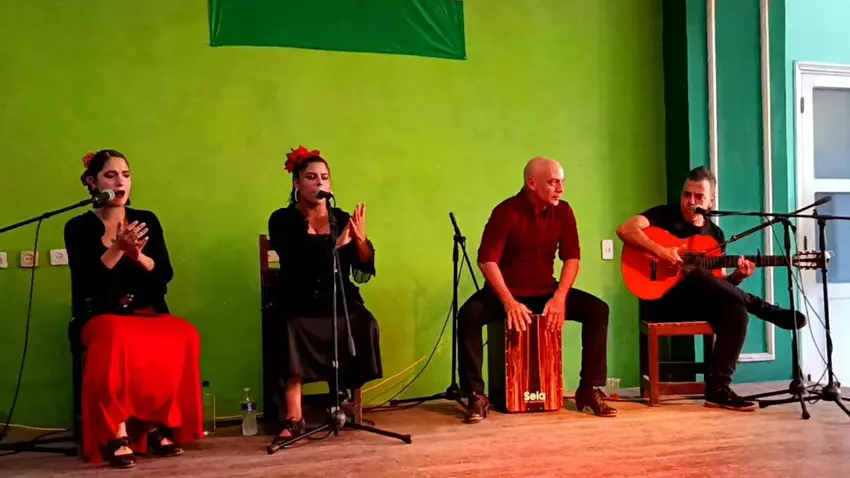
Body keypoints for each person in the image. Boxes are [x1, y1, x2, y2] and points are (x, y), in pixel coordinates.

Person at [616, 166, 807, 411]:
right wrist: (662, 251)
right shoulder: (662, 215)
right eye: (686, 194)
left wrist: (736, 277)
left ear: (711, 201)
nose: (690, 201)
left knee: (736, 309)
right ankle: (766, 309)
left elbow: (719, 286)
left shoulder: (715, 234)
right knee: (694, 274)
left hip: (697, 303)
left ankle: (718, 389)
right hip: (662, 302)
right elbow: (625, 229)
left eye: (699, 197)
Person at [64, 150, 203, 468]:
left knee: (183, 333)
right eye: (110, 175)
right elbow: (89, 284)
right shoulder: (78, 227)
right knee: (115, 336)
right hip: (100, 314)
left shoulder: (146, 220)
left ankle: (154, 423)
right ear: (92, 182)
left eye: (125, 175)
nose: (120, 182)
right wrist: (117, 248)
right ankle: (118, 430)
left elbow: (164, 274)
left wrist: (137, 255)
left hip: (145, 310)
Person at [458, 157, 616, 423]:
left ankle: (589, 389)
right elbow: (487, 261)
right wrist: (509, 302)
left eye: (561, 182)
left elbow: (572, 258)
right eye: (553, 182)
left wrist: (560, 298)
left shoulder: (564, 212)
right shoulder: (506, 212)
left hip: (546, 292)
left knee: (597, 310)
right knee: (468, 315)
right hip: (507, 294)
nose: (560, 189)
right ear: (532, 183)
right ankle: (475, 395)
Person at [265, 146, 382, 448]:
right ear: (297, 183)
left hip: (337, 298)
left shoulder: (340, 218)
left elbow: (362, 267)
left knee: (364, 322)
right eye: (311, 177)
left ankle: (341, 398)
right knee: (291, 327)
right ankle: (294, 417)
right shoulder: (282, 219)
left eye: (325, 177)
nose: (319, 182)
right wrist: (336, 245)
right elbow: (298, 260)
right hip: (298, 298)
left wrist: (361, 241)